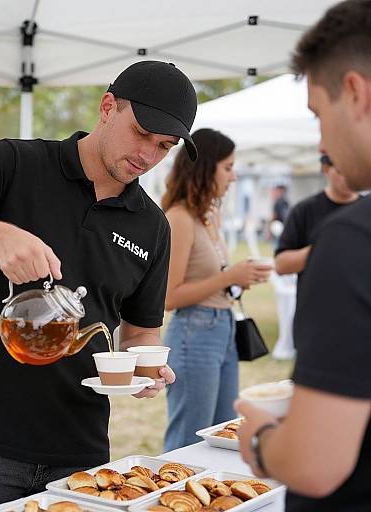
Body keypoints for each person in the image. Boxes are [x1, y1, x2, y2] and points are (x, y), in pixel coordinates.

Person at [0, 60, 198, 510]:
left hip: (80, 451)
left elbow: (140, 330)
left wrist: (144, 369)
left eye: (164, 146)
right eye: (141, 134)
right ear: (107, 107)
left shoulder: (152, 226)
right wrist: (0, 236)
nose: (148, 156)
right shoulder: (16, 162)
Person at [236, 2, 371, 510]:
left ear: (355, 92)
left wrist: (262, 437)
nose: (322, 140)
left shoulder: (353, 241)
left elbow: (314, 465)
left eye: (319, 113)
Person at [160, 128, 272, 452]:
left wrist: (238, 279)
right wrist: (228, 278)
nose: (233, 177)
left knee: (223, 435)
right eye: (228, 167)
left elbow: (211, 278)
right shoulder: (179, 218)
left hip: (221, 329)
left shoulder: (208, 215)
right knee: (190, 439)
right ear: (205, 168)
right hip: (194, 332)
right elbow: (169, 297)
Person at [275, 153, 360, 288]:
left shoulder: (366, 210)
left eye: (354, 169)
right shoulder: (304, 210)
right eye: (340, 171)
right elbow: (281, 265)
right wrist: (322, 248)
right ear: (326, 168)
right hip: (317, 303)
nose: (347, 177)